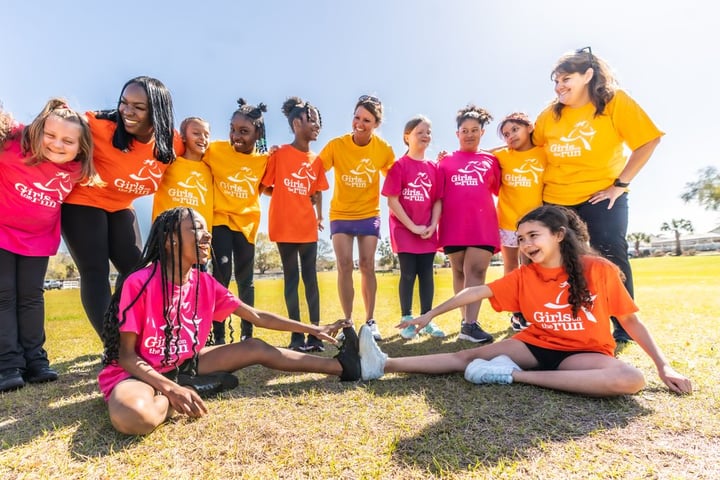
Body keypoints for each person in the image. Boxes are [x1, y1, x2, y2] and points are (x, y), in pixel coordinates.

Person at [356, 205, 692, 398]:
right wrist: (427, 315)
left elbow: (631, 321)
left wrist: (664, 366)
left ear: (558, 235)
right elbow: (474, 291)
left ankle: (512, 375)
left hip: (582, 355)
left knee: (631, 379)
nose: (526, 244)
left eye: (534, 236)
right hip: (536, 345)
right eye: (521, 239)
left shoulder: (599, 270)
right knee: (465, 356)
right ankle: (383, 364)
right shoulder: (524, 275)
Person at [98, 207, 361, 435]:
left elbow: (256, 316)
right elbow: (127, 356)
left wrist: (313, 328)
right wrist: (171, 389)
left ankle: (342, 367)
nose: (208, 235)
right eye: (197, 228)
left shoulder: (205, 283)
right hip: (138, 374)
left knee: (255, 347)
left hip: (184, 364)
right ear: (170, 240)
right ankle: (183, 389)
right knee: (134, 418)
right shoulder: (140, 282)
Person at [532, 47, 663, 344]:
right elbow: (527, 148)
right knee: (559, 261)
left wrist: (620, 184)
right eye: (556, 81)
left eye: (566, 79)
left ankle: (624, 324)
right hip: (557, 198)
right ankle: (567, 320)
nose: (559, 86)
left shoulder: (614, 101)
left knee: (611, 253)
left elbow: (648, 140)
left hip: (602, 196)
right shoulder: (549, 114)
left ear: (588, 75)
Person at [61, 76, 183, 339]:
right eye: (124, 103)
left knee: (137, 270)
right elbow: (53, 127)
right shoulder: (97, 126)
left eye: (138, 107)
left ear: (157, 111)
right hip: (83, 201)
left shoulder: (172, 143)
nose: (127, 111)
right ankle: (113, 345)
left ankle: (129, 331)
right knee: (95, 271)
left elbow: (206, 154)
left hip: (120, 205)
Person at [0, 99, 95, 392]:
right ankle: (8, 364)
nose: (56, 144)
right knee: (4, 295)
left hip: (38, 241)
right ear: (37, 130)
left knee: (31, 297)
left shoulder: (78, 169)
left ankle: (36, 360)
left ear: (80, 148)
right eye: (50, 135)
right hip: (2, 233)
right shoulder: (14, 145)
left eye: (68, 141)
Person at [319, 95, 395, 340]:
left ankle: (370, 322)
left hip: (368, 213)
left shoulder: (383, 149)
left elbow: (397, 175)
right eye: (357, 117)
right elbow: (314, 169)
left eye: (366, 120)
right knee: (343, 266)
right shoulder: (336, 145)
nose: (359, 123)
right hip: (340, 213)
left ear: (376, 124)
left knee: (367, 265)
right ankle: (348, 323)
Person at [261, 97, 329, 352]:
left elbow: (318, 191)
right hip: (284, 226)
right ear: (296, 123)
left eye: (318, 123)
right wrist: (283, 196)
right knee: (292, 279)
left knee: (310, 279)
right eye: (312, 121)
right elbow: (266, 186)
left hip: (307, 227)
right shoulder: (280, 154)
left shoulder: (317, 160)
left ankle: (316, 334)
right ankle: (296, 335)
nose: (317, 126)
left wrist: (319, 214)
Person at [203, 99, 269, 344]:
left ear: (258, 133)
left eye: (244, 131)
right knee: (221, 277)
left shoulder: (264, 160)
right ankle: (218, 335)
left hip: (247, 225)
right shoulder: (215, 150)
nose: (236, 136)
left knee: (246, 280)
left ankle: (247, 334)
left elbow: (268, 186)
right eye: (233, 129)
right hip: (219, 221)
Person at [436, 105, 500, 344]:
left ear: (482, 132)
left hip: (482, 223)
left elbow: (496, 188)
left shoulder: (491, 160)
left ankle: (470, 324)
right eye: (465, 130)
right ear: (457, 134)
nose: (469, 134)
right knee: (460, 272)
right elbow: (438, 194)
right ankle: (466, 321)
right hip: (453, 224)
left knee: (477, 271)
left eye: (475, 130)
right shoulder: (445, 161)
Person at [381, 115, 444, 340]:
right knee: (408, 274)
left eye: (428, 132)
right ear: (407, 137)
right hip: (405, 230)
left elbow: (437, 199)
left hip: (427, 230)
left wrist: (432, 224)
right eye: (420, 132)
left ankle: (427, 320)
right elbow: (392, 200)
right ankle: (407, 320)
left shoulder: (434, 168)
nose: (425, 135)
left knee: (427, 274)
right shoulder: (399, 166)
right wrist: (413, 227)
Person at [493, 112, 546, 332]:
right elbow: (481, 154)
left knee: (532, 267)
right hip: (507, 221)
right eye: (505, 134)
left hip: (535, 224)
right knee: (511, 267)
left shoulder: (544, 153)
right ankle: (517, 313)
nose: (510, 136)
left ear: (529, 127)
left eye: (515, 130)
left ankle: (533, 309)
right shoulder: (503, 156)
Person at [152, 117, 213, 223]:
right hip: (167, 230)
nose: (203, 138)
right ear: (183, 137)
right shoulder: (169, 163)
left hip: (199, 234)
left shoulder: (211, 169)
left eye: (206, 135)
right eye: (196, 133)